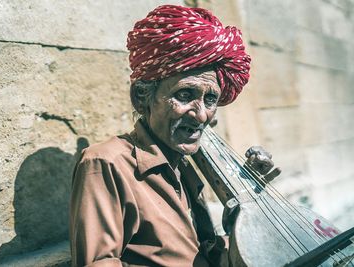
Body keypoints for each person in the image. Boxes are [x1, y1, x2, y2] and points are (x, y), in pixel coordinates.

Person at [69, 5, 281, 267]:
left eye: (210, 99)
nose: (202, 115)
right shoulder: (106, 163)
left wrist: (250, 201)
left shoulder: (182, 165)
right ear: (142, 97)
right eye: (184, 95)